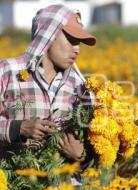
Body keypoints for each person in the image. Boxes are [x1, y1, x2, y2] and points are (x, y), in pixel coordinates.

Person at [0, 4, 96, 162]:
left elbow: (97, 147)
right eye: (72, 40)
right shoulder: (7, 71)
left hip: (65, 185)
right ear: (49, 34)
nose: (77, 49)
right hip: (12, 184)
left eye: (79, 42)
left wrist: (82, 156)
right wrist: (18, 128)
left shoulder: (81, 86)